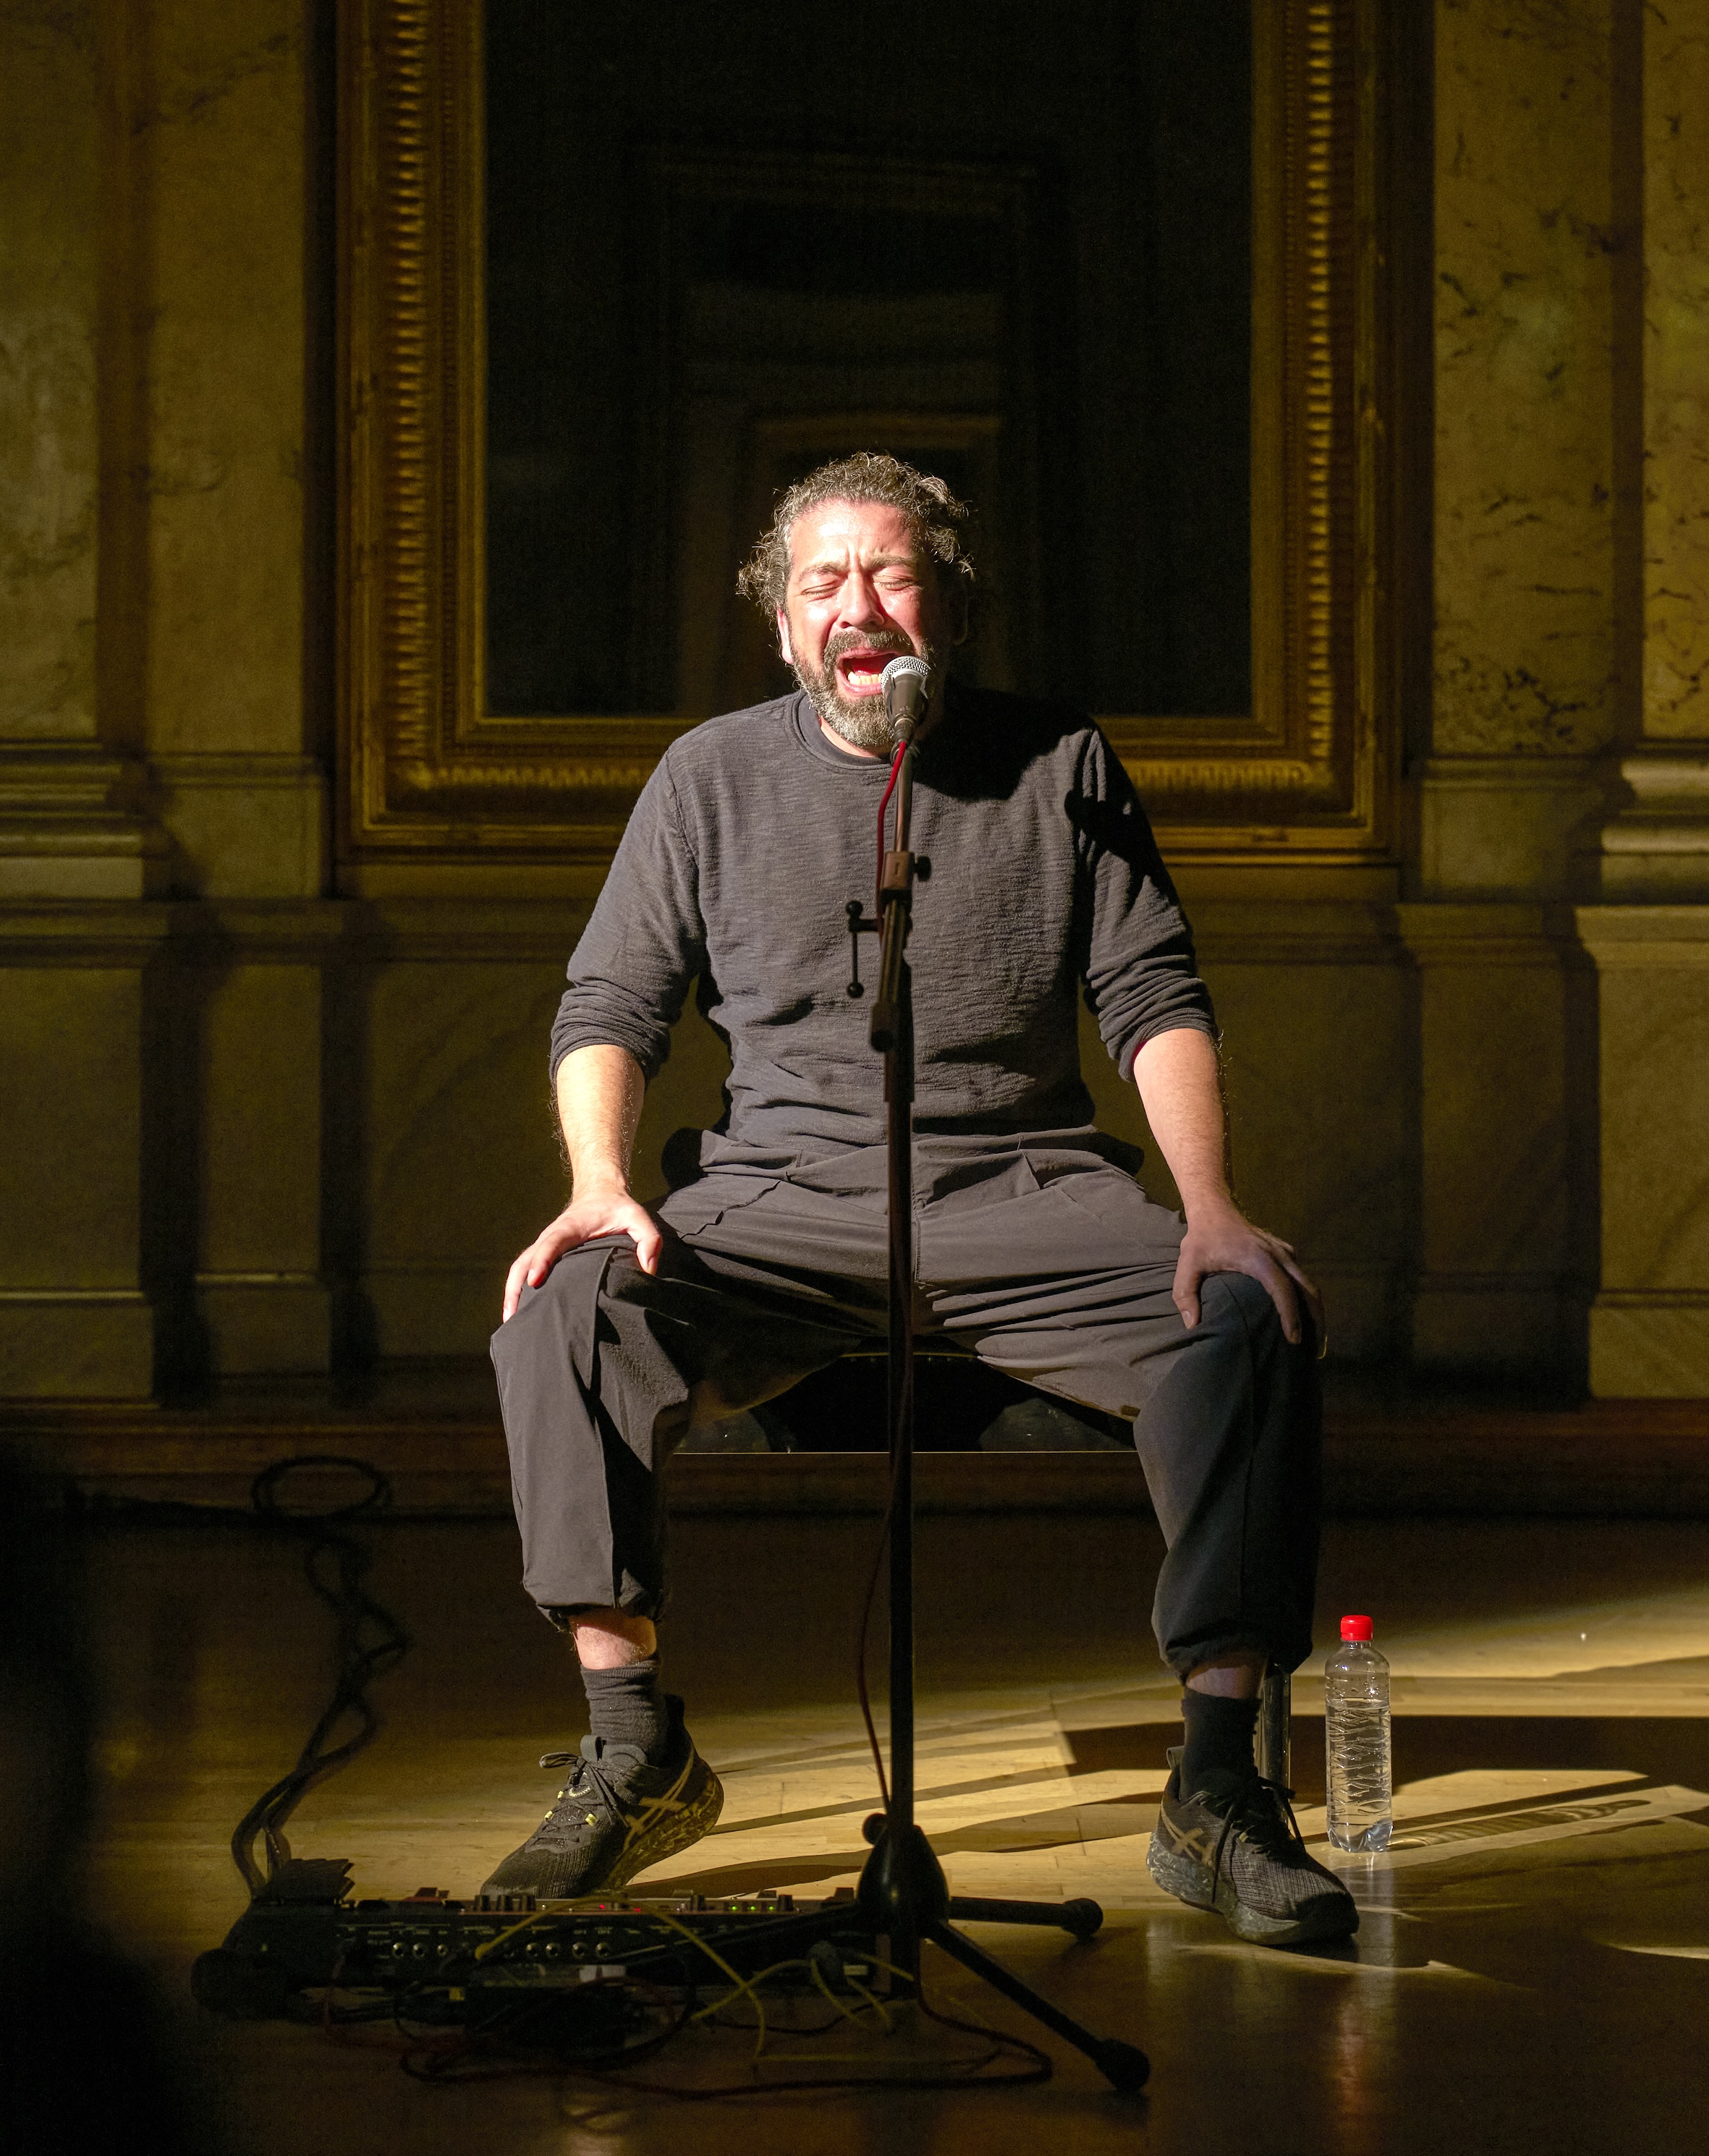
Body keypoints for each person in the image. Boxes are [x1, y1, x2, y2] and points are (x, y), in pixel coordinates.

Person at [487, 453, 1355, 1951]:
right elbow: (609, 1004)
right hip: (778, 1196)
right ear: (781, 623)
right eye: (822, 581)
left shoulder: (1059, 761)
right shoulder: (708, 776)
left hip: (1024, 1187)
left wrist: (1209, 1203)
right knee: (568, 1310)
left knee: (1244, 1315)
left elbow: (1151, 992)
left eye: (891, 575)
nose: (858, 606)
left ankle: (1218, 1784)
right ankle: (632, 1745)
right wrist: (597, 1185)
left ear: (947, 605)